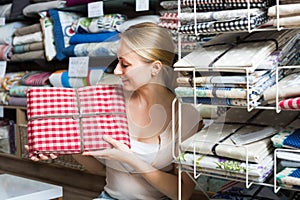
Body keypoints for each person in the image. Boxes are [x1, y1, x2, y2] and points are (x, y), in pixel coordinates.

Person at [29, 22, 203, 200]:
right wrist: (66, 146)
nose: (116, 70)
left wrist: (131, 159)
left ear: (155, 68)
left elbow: (182, 193)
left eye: (125, 64)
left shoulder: (186, 116)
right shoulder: (107, 100)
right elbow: (97, 168)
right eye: (117, 61)